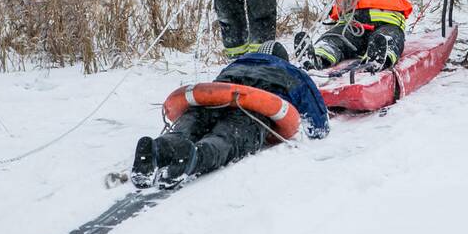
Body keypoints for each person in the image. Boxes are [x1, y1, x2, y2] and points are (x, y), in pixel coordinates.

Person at [131, 42, 328, 189]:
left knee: (194, 122)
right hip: (252, 109)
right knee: (226, 139)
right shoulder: (289, 70)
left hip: (211, 100)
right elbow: (316, 115)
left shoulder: (237, 63)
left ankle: (159, 147)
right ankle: (195, 156)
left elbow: (218, 87)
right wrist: (319, 128)